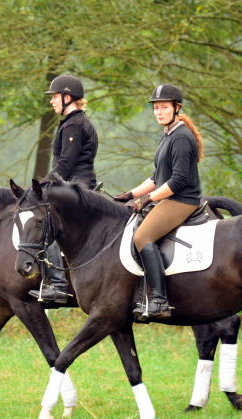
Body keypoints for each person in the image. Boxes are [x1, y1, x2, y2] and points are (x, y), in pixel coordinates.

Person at [114, 84, 203, 320]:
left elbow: (178, 180)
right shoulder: (168, 135)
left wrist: (147, 199)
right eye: (155, 108)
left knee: (142, 236)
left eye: (163, 107)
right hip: (169, 196)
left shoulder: (182, 137)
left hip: (182, 200)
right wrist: (130, 195)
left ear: (176, 108)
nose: (158, 112)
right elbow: (157, 177)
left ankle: (159, 300)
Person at [28, 74, 99, 304]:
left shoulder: (75, 125)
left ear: (67, 97)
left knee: (47, 221)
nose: (51, 102)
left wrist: (43, 185)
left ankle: (58, 284)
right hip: (73, 182)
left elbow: (65, 165)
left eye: (55, 97)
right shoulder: (71, 123)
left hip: (76, 185)